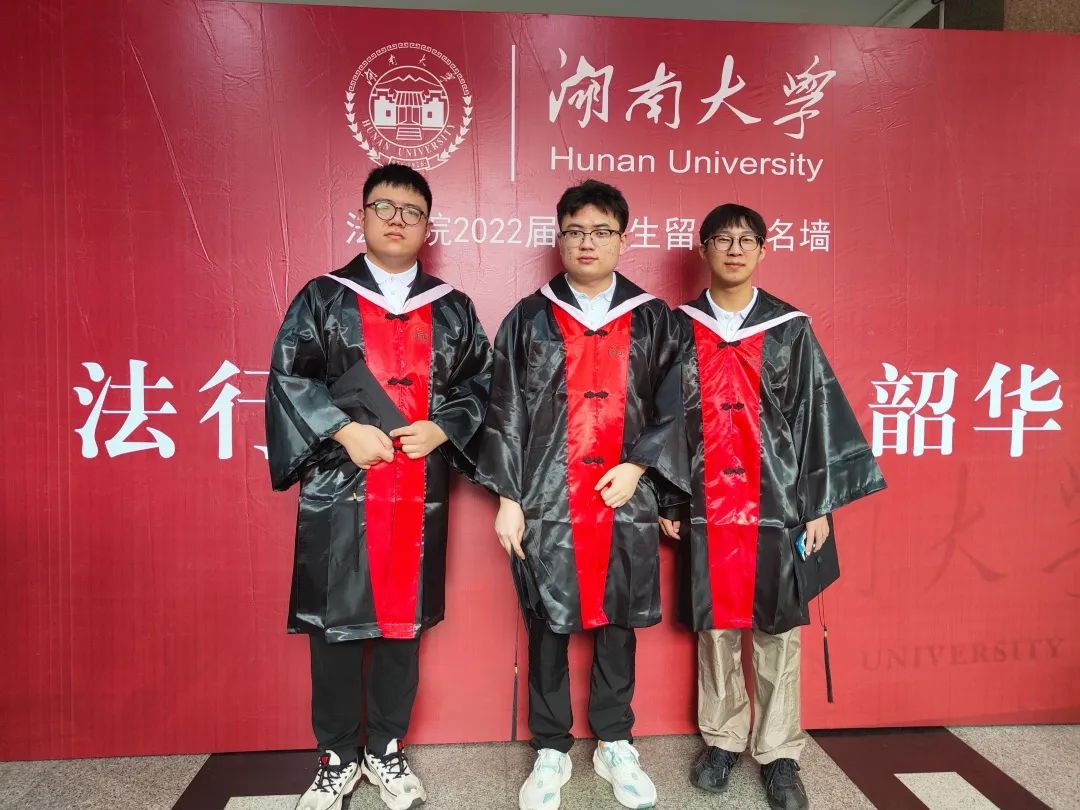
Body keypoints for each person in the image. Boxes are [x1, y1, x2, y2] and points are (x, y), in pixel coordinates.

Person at [265, 163, 492, 810]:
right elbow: (289, 377)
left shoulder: (452, 308)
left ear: (427, 226)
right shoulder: (323, 297)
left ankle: (386, 747)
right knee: (336, 625)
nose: (397, 219)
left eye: (411, 211)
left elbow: (482, 383)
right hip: (340, 488)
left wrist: (444, 428)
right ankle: (337, 756)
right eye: (384, 207)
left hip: (418, 490)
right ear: (362, 216)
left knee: (403, 623)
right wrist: (341, 430)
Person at [476, 179, 688, 810]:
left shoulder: (654, 319)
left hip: (624, 497)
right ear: (560, 238)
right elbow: (504, 409)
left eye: (600, 231)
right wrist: (508, 497)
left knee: (618, 620)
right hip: (546, 497)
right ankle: (550, 747)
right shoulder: (528, 318)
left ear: (623, 239)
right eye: (574, 231)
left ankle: (615, 739)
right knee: (548, 620)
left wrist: (642, 469)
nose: (586, 242)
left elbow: (677, 407)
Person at [666, 203, 886, 810]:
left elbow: (818, 417)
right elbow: (663, 420)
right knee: (715, 626)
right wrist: (670, 496)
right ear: (704, 250)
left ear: (763, 251)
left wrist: (818, 506)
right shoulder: (679, 329)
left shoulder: (790, 329)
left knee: (778, 629)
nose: (734, 249)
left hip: (780, 501)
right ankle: (722, 738)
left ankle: (779, 750)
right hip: (708, 504)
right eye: (722, 239)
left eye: (747, 240)